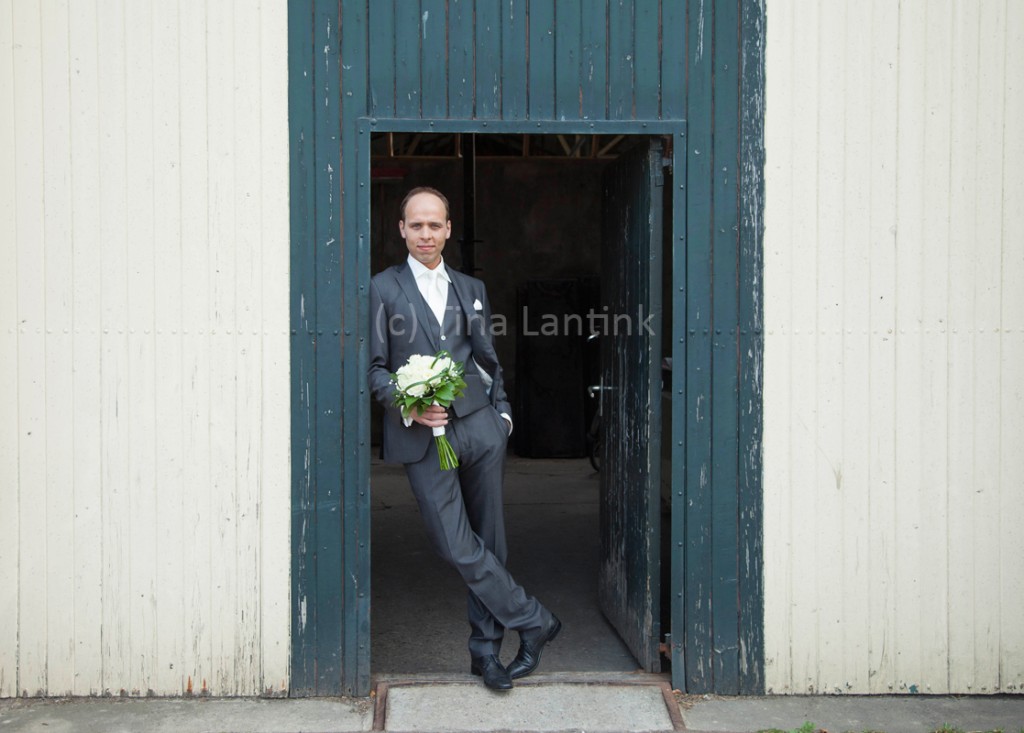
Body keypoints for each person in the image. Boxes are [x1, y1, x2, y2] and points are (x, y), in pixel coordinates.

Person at [368, 187, 561, 691]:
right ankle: (534, 619)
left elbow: (487, 357)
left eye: (434, 225)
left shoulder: (471, 287)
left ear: (448, 229)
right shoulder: (382, 289)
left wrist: (503, 416)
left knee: (489, 541)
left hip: (479, 426)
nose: (425, 234)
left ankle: (486, 654)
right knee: (454, 542)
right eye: (416, 225)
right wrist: (407, 403)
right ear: (402, 230)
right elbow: (374, 369)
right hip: (423, 437)